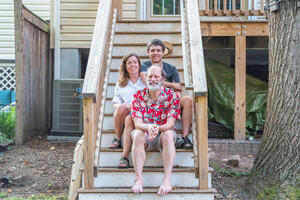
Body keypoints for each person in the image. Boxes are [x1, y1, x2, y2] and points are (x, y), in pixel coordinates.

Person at [131, 65, 180, 195]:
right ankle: (138, 179)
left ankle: (167, 180)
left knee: (168, 135)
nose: (153, 79)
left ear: (163, 79)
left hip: (164, 132)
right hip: (145, 132)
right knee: (137, 135)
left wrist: (157, 128)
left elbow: (170, 123)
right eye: (150, 76)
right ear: (146, 79)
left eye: (156, 76)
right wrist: (149, 127)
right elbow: (137, 123)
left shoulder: (172, 96)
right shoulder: (137, 95)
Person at [140, 39, 193, 149]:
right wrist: (171, 85)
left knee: (188, 100)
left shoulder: (171, 68)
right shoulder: (144, 66)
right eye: (152, 50)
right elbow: (150, 83)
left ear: (163, 52)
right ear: (148, 52)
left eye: (159, 50)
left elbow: (178, 88)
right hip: (151, 99)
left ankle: (185, 137)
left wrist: (176, 100)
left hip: (169, 99)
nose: (156, 53)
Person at [110, 53, 146, 167]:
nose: (132, 65)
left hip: (142, 113)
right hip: (127, 112)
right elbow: (115, 103)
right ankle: (117, 138)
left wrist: (137, 107)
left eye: (135, 62)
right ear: (125, 66)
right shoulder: (121, 82)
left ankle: (124, 156)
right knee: (121, 109)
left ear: (139, 65)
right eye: (129, 63)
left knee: (129, 120)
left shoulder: (145, 80)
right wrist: (125, 105)